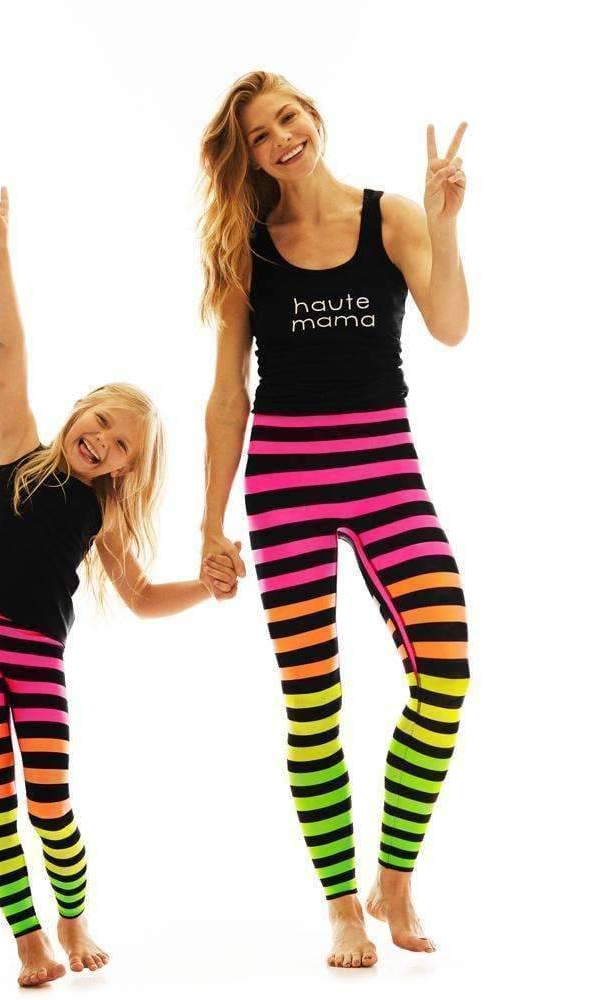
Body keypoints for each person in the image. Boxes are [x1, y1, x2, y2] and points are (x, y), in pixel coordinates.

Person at [198, 71, 470, 969]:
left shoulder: (390, 218)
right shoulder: (248, 246)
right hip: (286, 485)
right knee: (313, 705)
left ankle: (394, 879)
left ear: (312, 116)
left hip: (387, 473)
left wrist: (445, 223)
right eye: (260, 135)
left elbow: (450, 325)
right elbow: (228, 395)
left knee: (446, 669)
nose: (282, 137)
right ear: (249, 157)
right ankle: (343, 907)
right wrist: (210, 526)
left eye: (288, 117)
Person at [0, 187, 239, 987]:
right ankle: (29, 942)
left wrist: (204, 588)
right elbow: (11, 341)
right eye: (101, 423)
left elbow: (140, 599)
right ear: (81, 410)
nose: (102, 441)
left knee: (50, 803)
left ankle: (72, 918)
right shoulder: (18, 448)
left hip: (36, 655)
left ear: (124, 471)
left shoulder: (102, 514)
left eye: (119, 447)